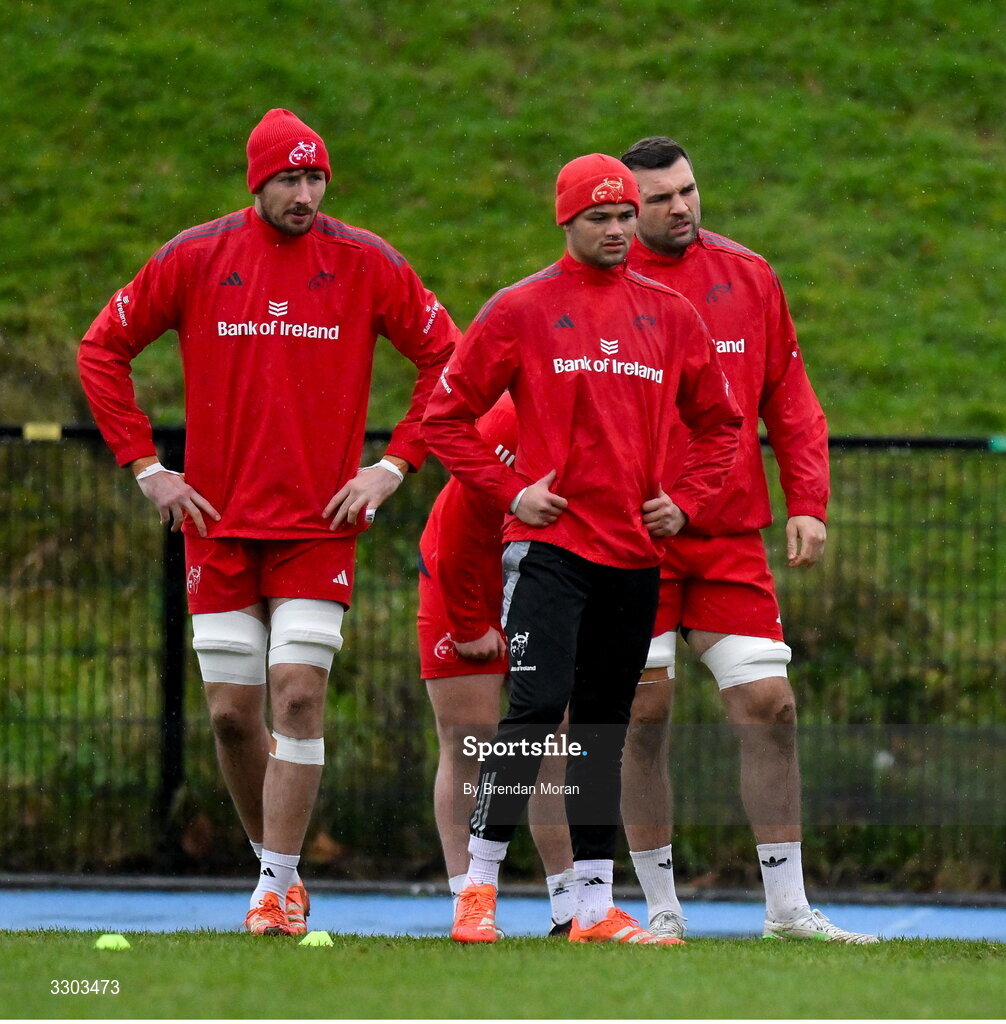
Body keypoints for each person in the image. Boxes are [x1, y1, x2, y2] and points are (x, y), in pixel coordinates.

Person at [77, 108, 458, 936]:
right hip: (215, 523)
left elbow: (446, 357)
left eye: (315, 176)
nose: (305, 193)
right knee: (228, 714)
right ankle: (273, 870)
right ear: (257, 182)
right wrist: (148, 469)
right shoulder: (195, 256)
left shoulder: (363, 261)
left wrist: (393, 466)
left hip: (319, 527)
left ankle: (273, 889)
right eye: (288, 178)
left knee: (296, 696)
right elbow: (101, 349)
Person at [423, 153, 743, 945]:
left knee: (602, 725)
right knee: (533, 713)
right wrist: (513, 494)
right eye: (599, 218)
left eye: (624, 215)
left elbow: (722, 424)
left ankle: (594, 908)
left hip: (633, 556)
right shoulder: (524, 308)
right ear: (565, 222)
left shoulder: (668, 313)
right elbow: (445, 418)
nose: (616, 230)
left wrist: (688, 501)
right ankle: (480, 891)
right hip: (551, 548)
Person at [618, 135, 878, 943]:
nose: (682, 207)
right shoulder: (602, 286)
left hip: (729, 534)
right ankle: (662, 910)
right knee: (641, 714)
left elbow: (790, 397)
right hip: (631, 539)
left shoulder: (748, 275)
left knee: (771, 706)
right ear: (628, 208)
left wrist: (809, 500)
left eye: (688, 190)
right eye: (660, 199)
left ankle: (788, 911)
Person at [418, 391, 577, 934]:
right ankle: (470, 900)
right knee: (472, 736)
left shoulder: (627, 401)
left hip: (543, 573)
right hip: (461, 567)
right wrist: (467, 622)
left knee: (553, 735)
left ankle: (570, 905)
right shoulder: (513, 415)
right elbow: (460, 520)